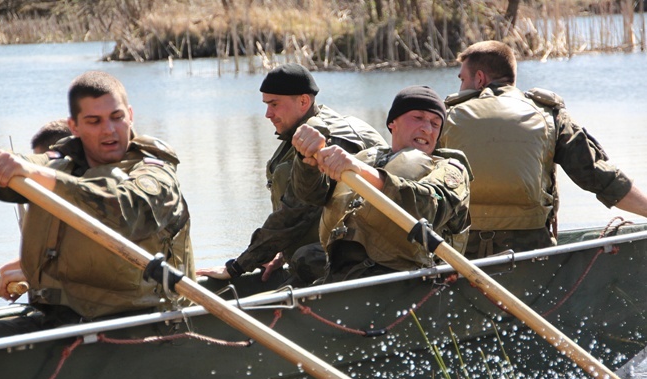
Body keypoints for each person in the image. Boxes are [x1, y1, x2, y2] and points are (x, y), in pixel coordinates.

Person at [0, 70, 195, 336]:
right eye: (94, 121)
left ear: (130, 115)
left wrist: (39, 175)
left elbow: (128, 211)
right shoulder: (60, 164)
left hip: (139, 321)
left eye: (117, 117)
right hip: (60, 317)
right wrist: (9, 166)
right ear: (74, 126)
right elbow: (28, 166)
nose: (109, 130)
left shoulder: (155, 173)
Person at [438, 40, 647, 258]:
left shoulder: (446, 117)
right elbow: (600, 177)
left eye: (462, 79)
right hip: (532, 250)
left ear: (479, 78)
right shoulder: (549, 115)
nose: (460, 88)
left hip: (460, 253)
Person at [197, 63, 388, 286]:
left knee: (305, 258)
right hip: (334, 251)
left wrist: (238, 265)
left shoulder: (328, 141)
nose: (268, 114)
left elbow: (297, 212)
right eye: (266, 105)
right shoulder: (301, 133)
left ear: (304, 101)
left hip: (370, 263)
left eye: (274, 104)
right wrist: (279, 251)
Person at [291, 85, 471, 283]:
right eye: (418, 118)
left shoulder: (449, 169)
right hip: (341, 274)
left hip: (407, 279)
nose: (427, 129)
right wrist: (306, 162)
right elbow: (311, 195)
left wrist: (365, 173)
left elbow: (431, 206)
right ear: (393, 122)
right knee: (303, 257)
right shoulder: (366, 158)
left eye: (435, 124)